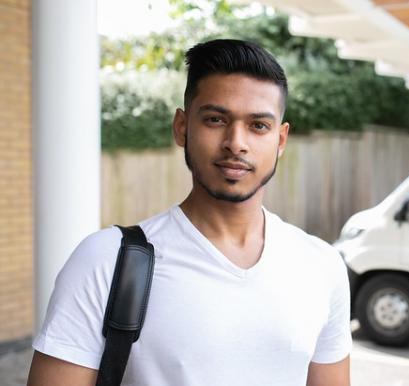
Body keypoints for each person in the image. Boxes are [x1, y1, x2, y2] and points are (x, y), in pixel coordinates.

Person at [27, 39, 352, 386]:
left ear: (281, 140)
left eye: (258, 125)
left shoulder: (321, 266)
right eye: (215, 119)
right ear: (182, 127)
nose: (236, 142)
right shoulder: (106, 261)